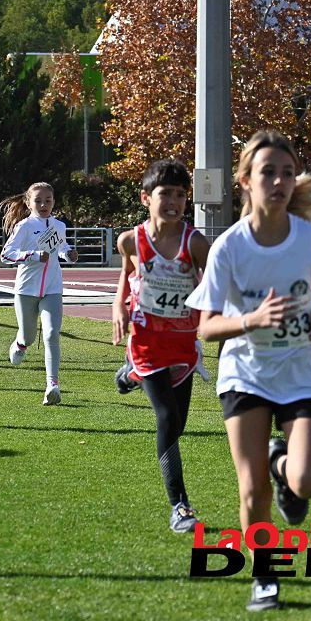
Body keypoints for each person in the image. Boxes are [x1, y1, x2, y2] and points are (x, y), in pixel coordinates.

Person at [185, 130, 311, 611]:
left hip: (303, 369)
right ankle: (265, 577)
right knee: (250, 491)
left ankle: (283, 463)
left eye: (287, 173)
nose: (279, 181)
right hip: (247, 373)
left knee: (309, 482)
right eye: (267, 172)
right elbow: (206, 330)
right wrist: (252, 319)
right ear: (244, 181)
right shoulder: (229, 248)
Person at [112, 159, 211, 533]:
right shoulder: (131, 240)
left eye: (180, 195)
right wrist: (118, 309)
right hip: (146, 343)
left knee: (179, 424)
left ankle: (131, 376)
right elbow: (125, 277)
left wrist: (211, 317)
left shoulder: (195, 243)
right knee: (167, 420)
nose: (173, 201)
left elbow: (214, 285)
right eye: (165, 193)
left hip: (183, 347)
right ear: (145, 198)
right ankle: (180, 506)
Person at [0, 182, 78, 406]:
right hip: (26, 290)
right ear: (28, 203)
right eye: (38, 201)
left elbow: (61, 247)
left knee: (52, 334)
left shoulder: (59, 226)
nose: (44, 205)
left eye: (48, 201)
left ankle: (52, 385)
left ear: (54, 202)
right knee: (29, 336)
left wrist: (68, 254)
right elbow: (7, 254)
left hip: (52, 288)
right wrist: (33, 255)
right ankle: (20, 345)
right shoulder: (24, 226)